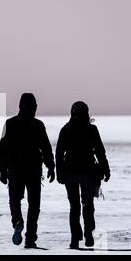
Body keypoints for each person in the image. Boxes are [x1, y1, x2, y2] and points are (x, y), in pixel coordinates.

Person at [0, 93, 55, 248]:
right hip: (33, 169)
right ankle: (30, 238)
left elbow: (2, 149)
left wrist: (2, 170)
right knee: (34, 205)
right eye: (35, 106)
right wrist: (51, 166)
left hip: (15, 169)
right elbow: (46, 148)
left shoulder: (9, 124)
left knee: (15, 199)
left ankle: (17, 220)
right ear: (32, 107)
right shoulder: (38, 125)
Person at [55, 101, 111, 249]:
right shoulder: (91, 129)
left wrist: (59, 173)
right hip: (87, 172)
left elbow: (59, 154)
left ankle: (75, 239)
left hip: (70, 173)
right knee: (88, 205)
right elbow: (100, 151)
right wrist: (105, 169)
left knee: (74, 206)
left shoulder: (66, 129)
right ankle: (88, 236)